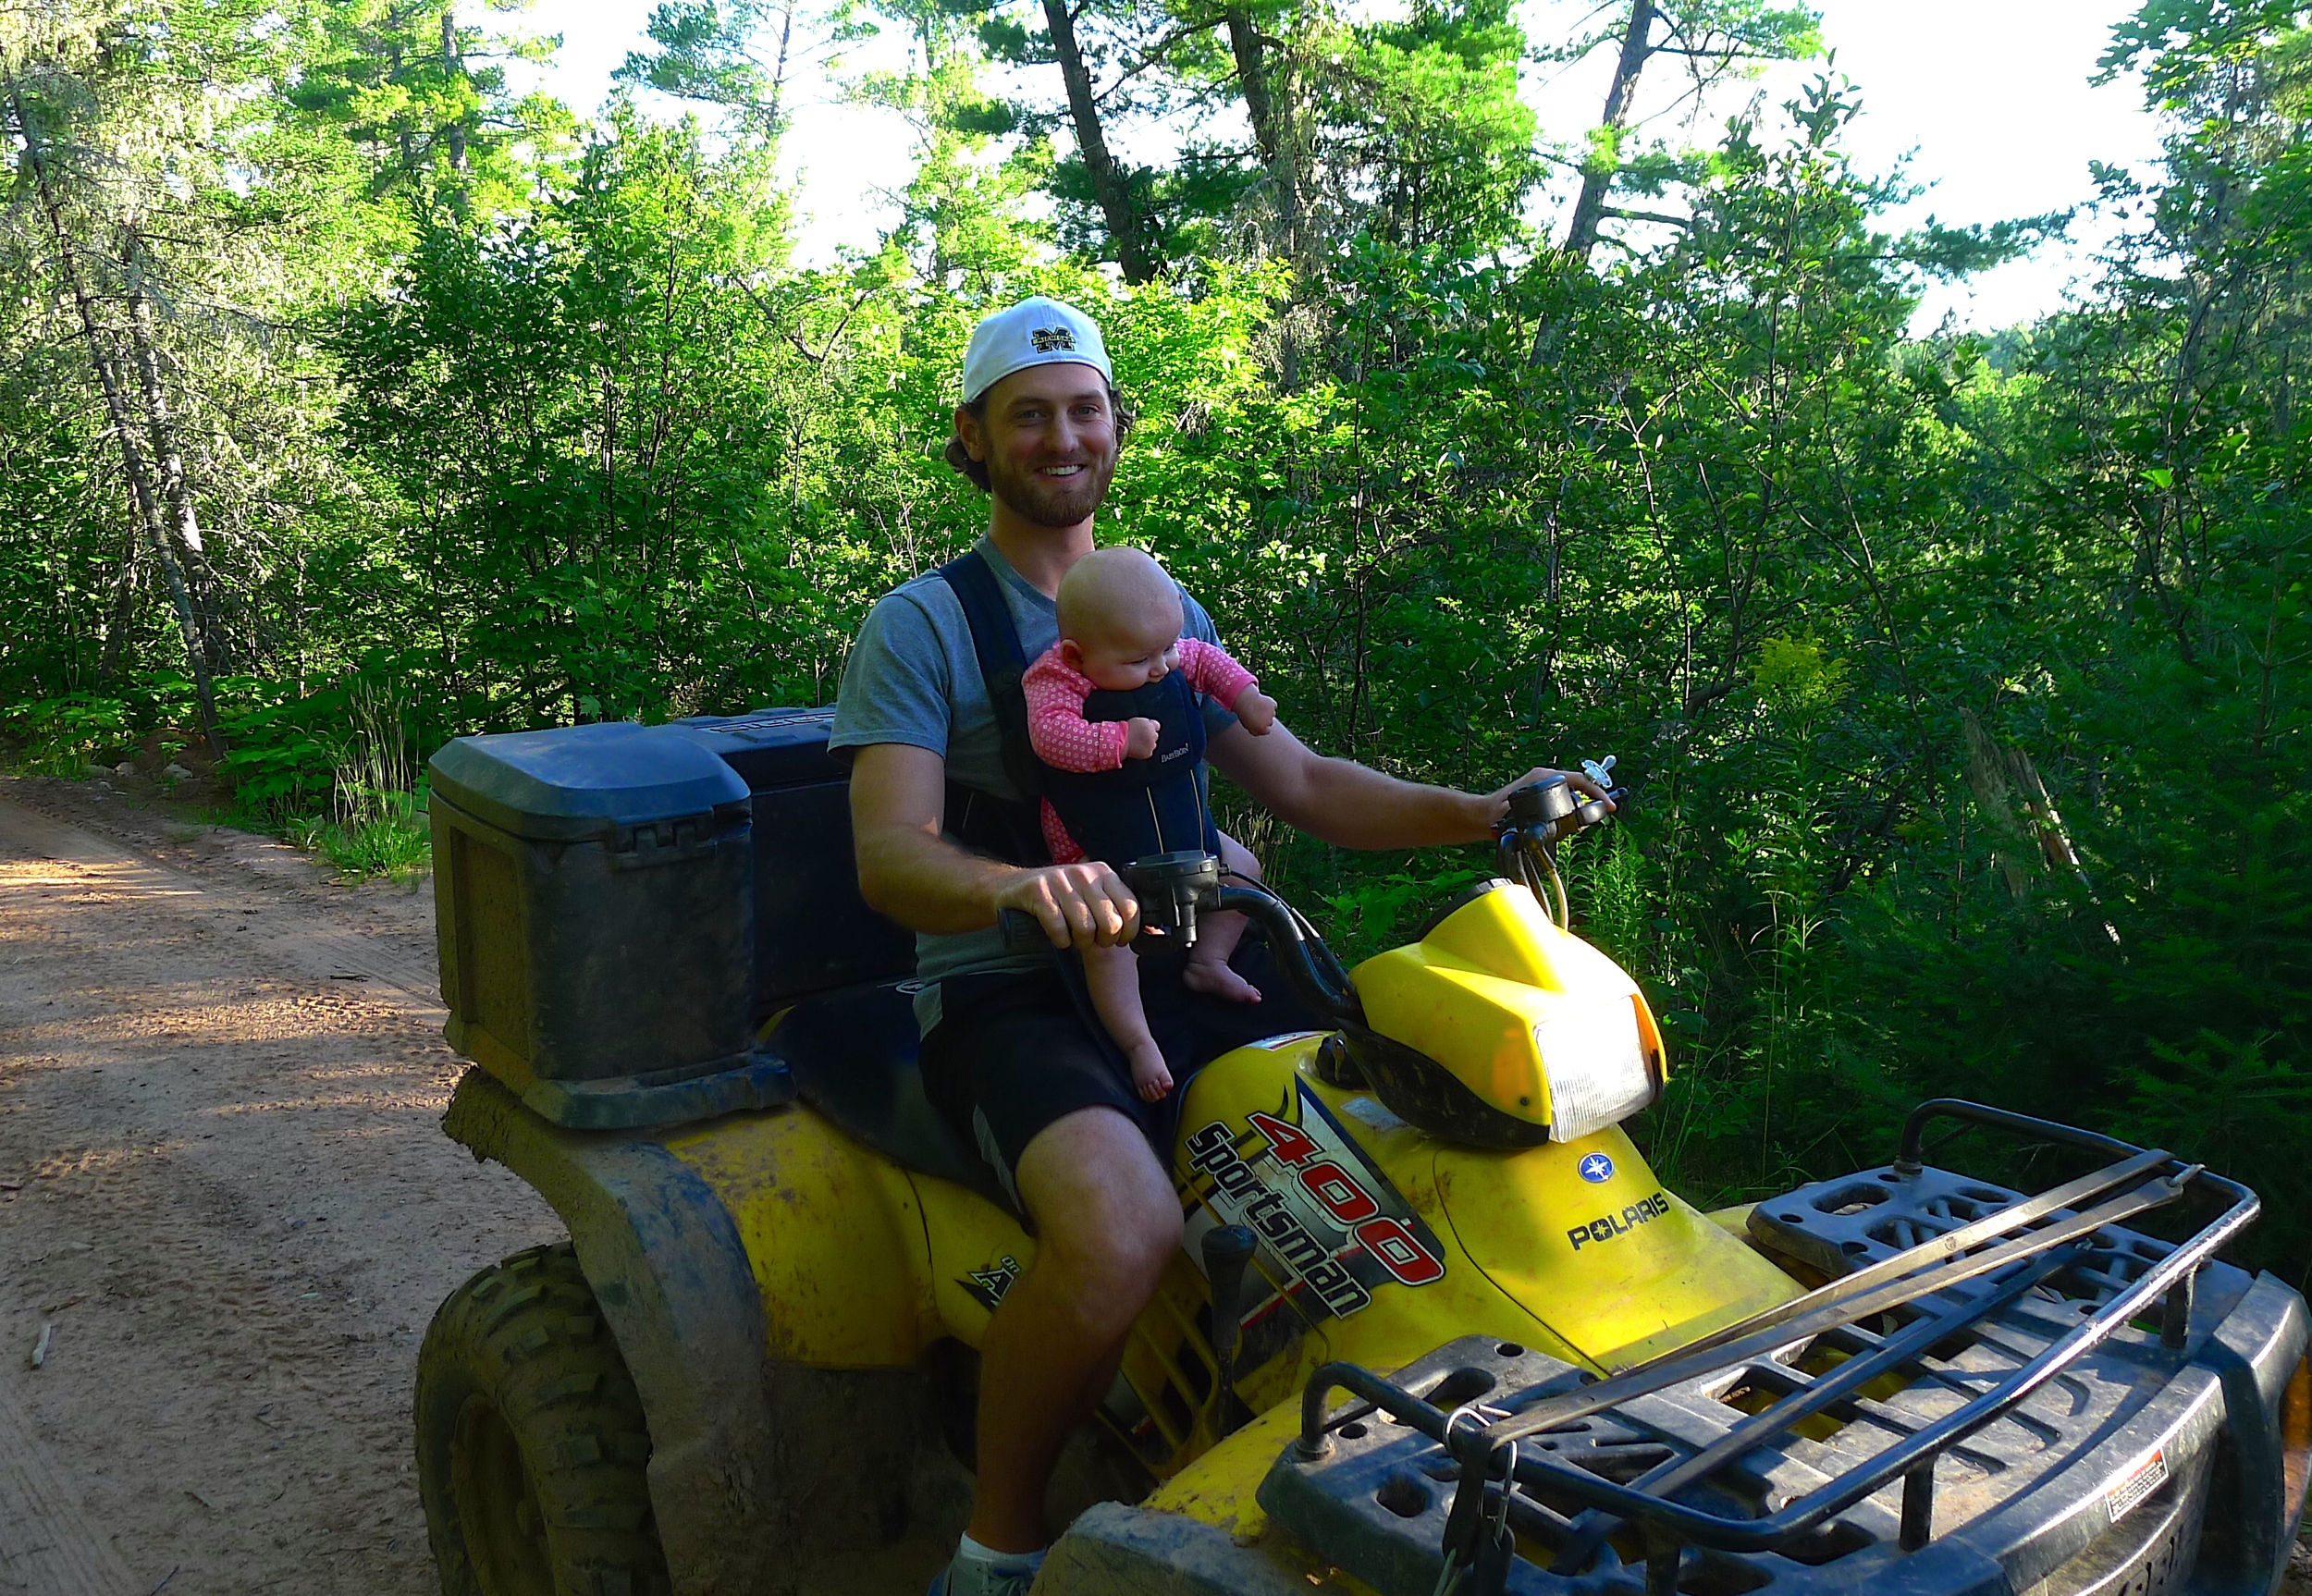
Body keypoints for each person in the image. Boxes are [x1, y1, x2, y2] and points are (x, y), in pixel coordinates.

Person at [830, 294, 1606, 1596]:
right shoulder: (924, 625)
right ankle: (999, 1541)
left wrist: (1481, 813)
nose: (1060, 435)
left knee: (1416, 1129)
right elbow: (890, 853)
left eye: (1083, 409)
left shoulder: (1154, 601)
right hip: (1011, 992)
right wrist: (1031, 889)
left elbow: (1298, 780)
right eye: (1028, 414)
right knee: (1125, 1225)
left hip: (1195, 959)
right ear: (975, 436)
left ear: (1116, 425)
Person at [1025, 544, 1276, 1102]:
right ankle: (1138, 1041)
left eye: (1164, 648)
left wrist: (1246, 697)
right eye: (1141, 661)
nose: (1162, 666)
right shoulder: (1056, 679)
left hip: (1182, 834)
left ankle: (1208, 962)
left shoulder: (1161, 650)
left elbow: (1205, 661)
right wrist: (1119, 740)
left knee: (1244, 868)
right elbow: (1050, 736)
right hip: (1096, 853)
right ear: (1076, 652)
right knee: (1107, 940)